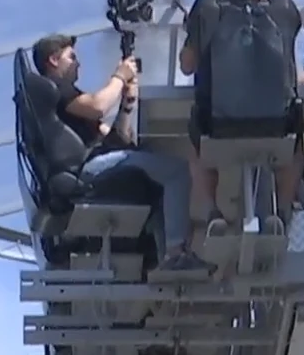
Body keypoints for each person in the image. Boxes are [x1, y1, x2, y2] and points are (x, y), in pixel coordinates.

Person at [30, 33, 202, 271]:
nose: (78, 63)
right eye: (72, 57)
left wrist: (127, 105)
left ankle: (168, 258)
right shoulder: (56, 90)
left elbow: (116, 138)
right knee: (177, 171)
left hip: (95, 163)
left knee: (158, 185)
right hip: (88, 170)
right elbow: (98, 107)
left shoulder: (71, 104)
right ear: (53, 60)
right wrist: (120, 76)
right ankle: (174, 253)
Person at [178, 0, 303, 238]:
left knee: (195, 138)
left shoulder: (211, 17)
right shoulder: (274, 18)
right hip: (274, 124)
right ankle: (282, 208)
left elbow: (187, 65)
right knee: (298, 134)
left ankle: (212, 212)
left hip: (221, 125)